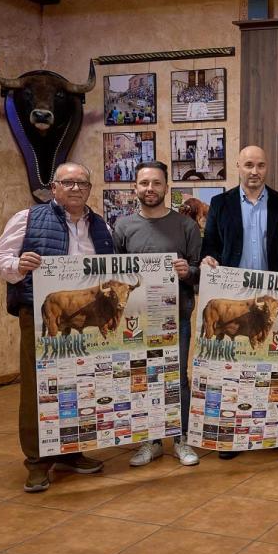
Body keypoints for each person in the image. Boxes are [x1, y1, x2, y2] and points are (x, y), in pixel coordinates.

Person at [0, 163, 112, 492]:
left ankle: (72, 451)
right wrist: (18, 264)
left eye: (82, 183)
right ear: (54, 188)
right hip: (42, 314)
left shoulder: (101, 226)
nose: (75, 188)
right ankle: (37, 460)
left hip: (85, 319)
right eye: (67, 182)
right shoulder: (28, 218)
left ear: (89, 189)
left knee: (80, 383)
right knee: (37, 387)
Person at [201, 145, 278, 459]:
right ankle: (232, 435)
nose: (254, 171)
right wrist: (208, 258)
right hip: (236, 300)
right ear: (237, 166)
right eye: (248, 164)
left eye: (260, 165)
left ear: (267, 168)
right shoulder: (220, 203)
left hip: (271, 299)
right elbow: (211, 245)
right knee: (233, 368)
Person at [113, 161, 202, 467]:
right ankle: (149, 441)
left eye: (156, 183)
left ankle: (182, 438)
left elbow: (200, 273)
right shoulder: (123, 227)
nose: (150, 189)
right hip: (136, 319)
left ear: (167, 187)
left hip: (175, 315)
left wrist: (187, 270)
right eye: (144, 183)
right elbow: (115, 275)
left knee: (178, 378)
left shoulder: (186, 226)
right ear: (134, 188)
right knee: (142, 378)